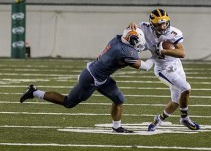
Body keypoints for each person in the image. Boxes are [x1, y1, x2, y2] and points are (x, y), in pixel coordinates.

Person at [20, 28, 154, 133]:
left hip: (101, 75)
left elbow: (130, 33)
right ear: (131, 40)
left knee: (119, 99)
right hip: (92, 79)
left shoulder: (118, 39)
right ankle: (34, 92)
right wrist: (156, 55)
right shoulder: (125, 52)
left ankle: (117, 127)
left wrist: (132, 26)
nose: (139, 46)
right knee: (68, 103)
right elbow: (146, 67)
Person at [128, 9, 200, 131]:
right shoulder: (144, 28)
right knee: (186, 88)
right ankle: (184, 118)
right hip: (163, 69)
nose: (162, 26)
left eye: (165, 23)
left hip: (177, 65)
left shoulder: (174, 33)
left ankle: (159, 119)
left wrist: (164, 51)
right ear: (152, 24)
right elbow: (132, 30)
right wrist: (131, 26)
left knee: (177, 100)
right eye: (159, 24)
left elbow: (182, 53)